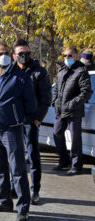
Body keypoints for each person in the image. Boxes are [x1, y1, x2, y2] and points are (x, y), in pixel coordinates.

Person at [0, 44, 37, 221]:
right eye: (1, 54)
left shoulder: (21, 78)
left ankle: (23, 208)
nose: (4, 56)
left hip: (12, 129)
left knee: (18, 170)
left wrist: (21, 119)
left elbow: (31, 104)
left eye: (7, 53)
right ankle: (4, 201)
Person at [11, 39, 52, 205]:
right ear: (14, 55)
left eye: (27, 53)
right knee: (15, 156)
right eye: (21, 53)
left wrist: (37, 119)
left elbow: (45, 98)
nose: (24, 56)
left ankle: (35, 190)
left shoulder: (39, 72)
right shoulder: (10, 71)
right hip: (13, 122)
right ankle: (16, 186)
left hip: (31, 122)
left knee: (33, 156)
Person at [52, 47, 92, 175]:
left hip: (74, 111)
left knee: (75, 138)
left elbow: (85, 93)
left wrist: (70, 104)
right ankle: (63, 161)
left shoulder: (81, 71)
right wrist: (55, 101)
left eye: (69, 56)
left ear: (76, 57)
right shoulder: (61, 70)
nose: (67, 58)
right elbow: (57, 89)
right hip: (60, 110)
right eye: (65, 56)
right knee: (57, 134)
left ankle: (76, 165)